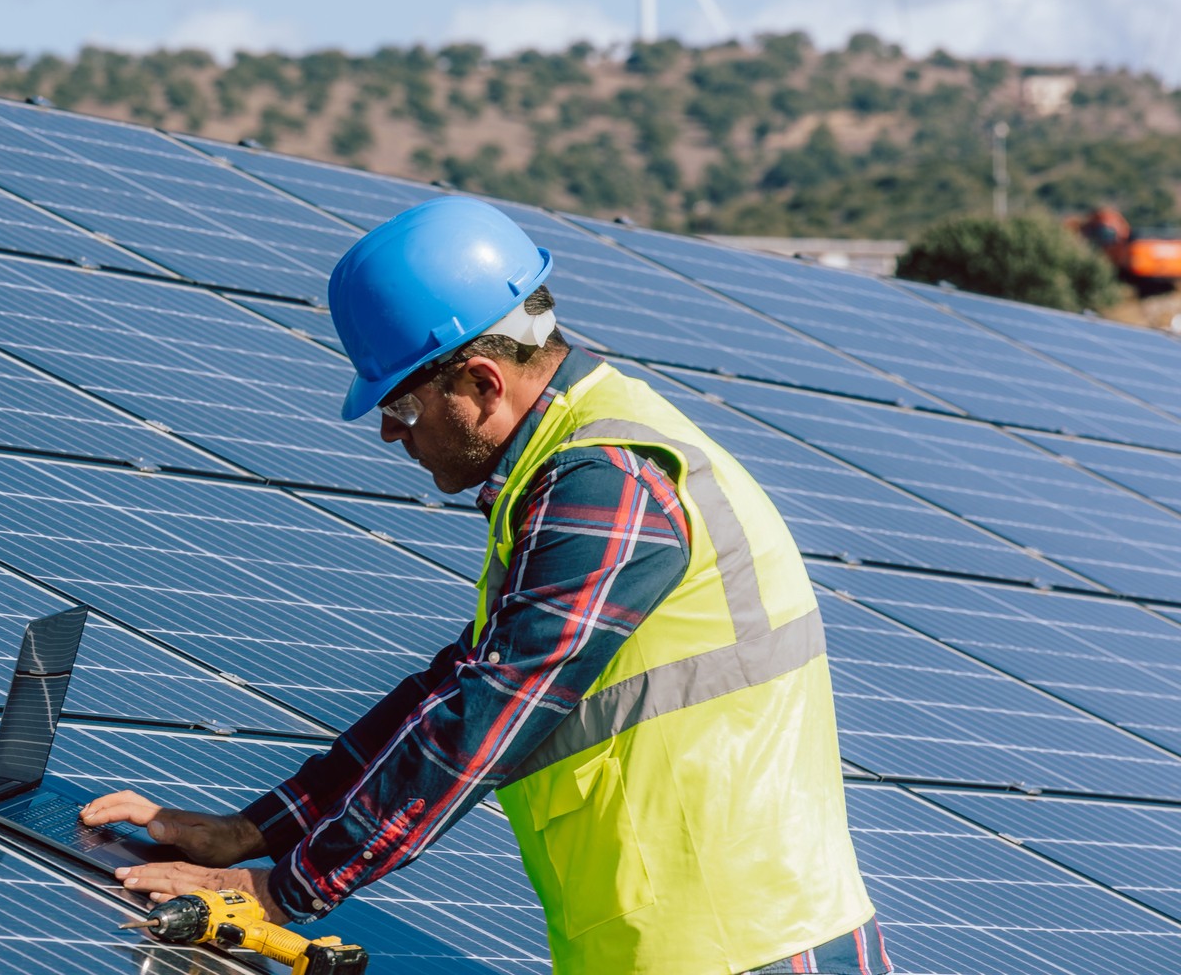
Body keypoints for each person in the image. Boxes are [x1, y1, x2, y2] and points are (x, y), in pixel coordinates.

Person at [83, 196, 890, 975]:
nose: (390, 433)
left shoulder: (610, 484)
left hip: (742, 949)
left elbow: (486, 715)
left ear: (482, 383)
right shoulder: (574, 465)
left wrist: (281, 892)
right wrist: (255, 832)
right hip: (696, 947)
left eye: (402, 405)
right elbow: (454, 686)